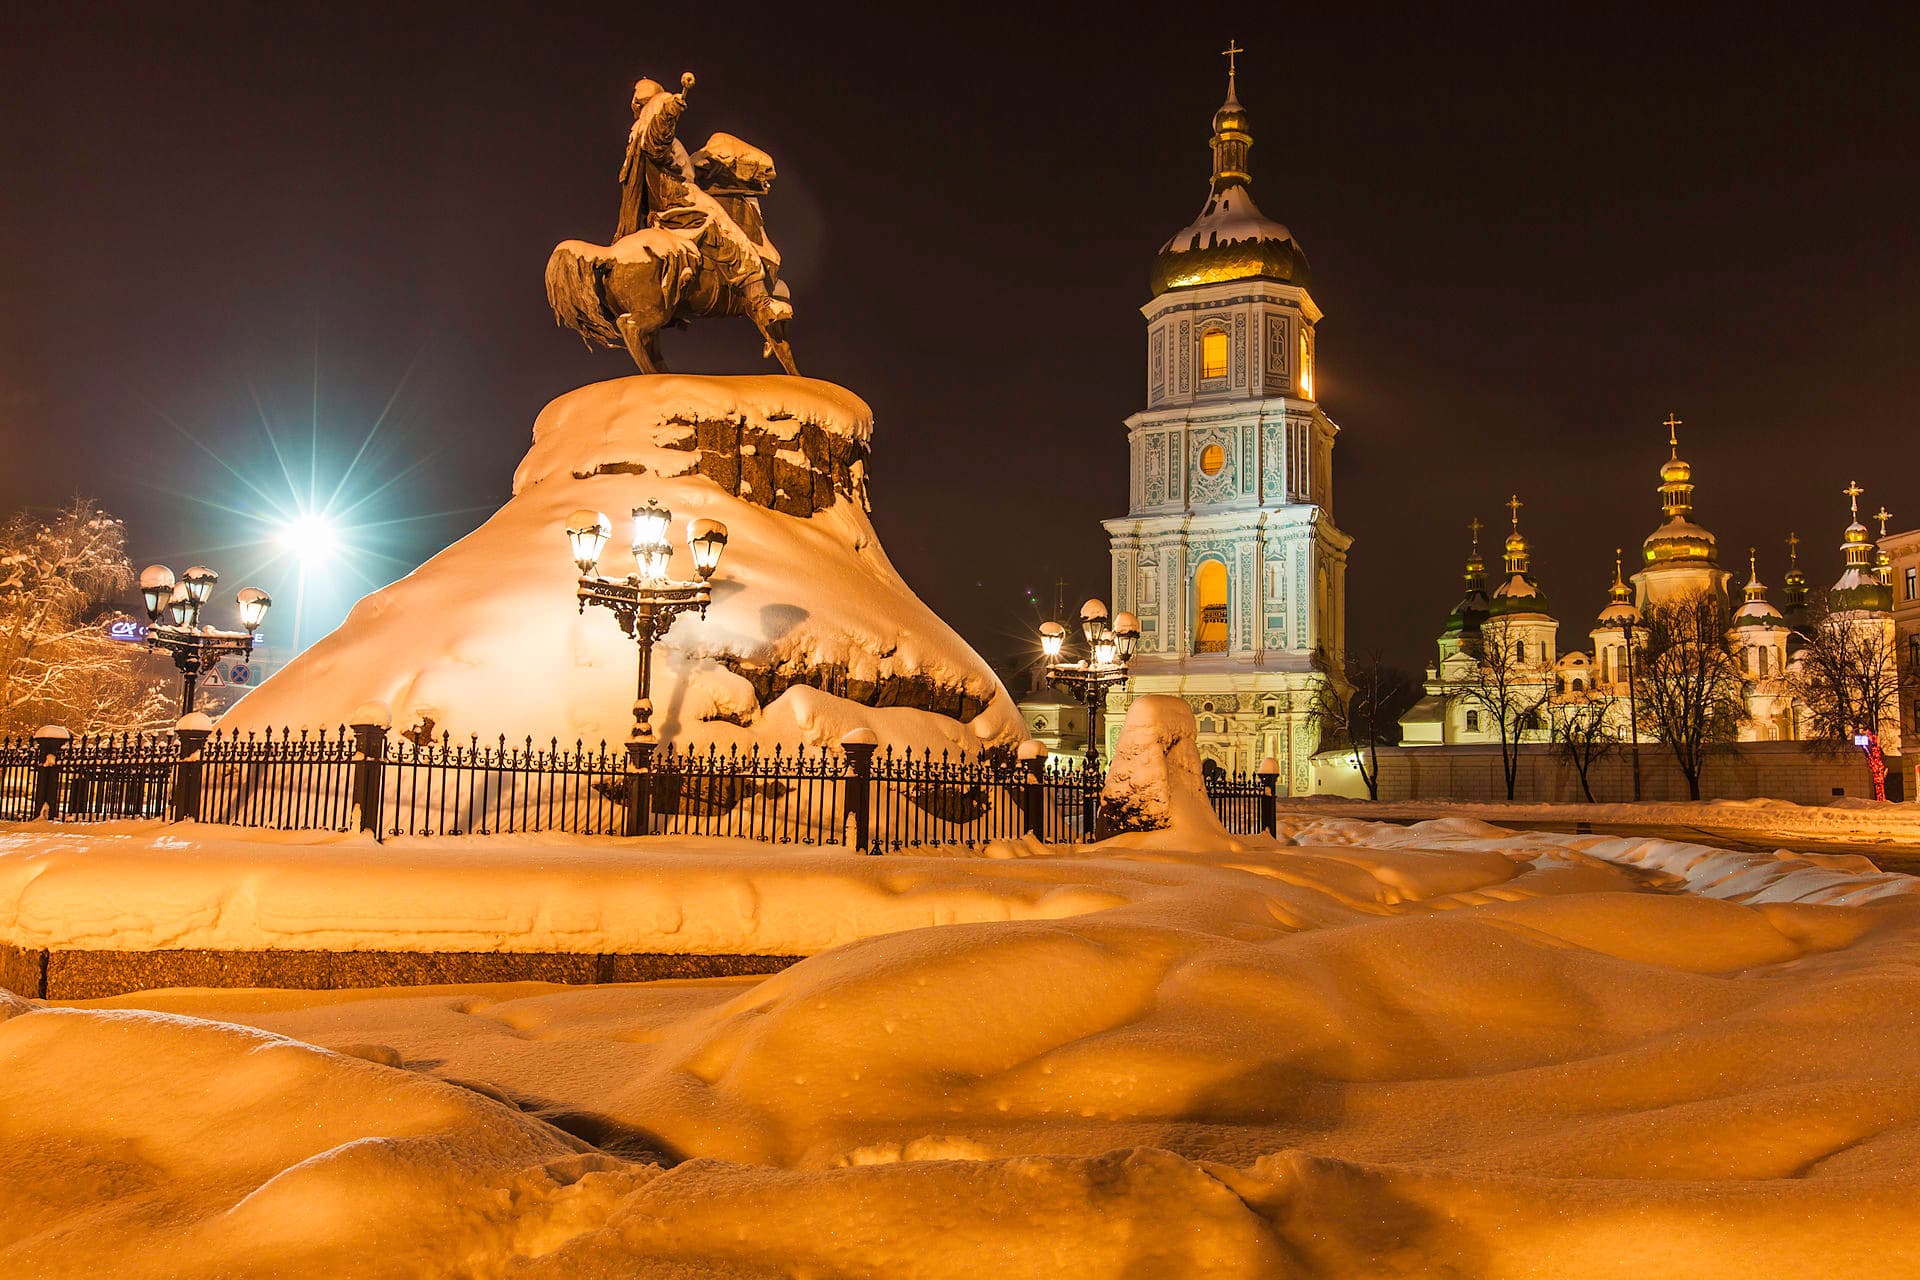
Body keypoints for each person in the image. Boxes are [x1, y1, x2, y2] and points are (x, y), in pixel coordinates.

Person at [614, 74, 780, 329]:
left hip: (661, 210)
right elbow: (659, 138)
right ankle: (760, 300)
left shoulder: (636, 136)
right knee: (731, 236)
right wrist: (669, 108)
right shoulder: (651, 123)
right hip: (682, 202)